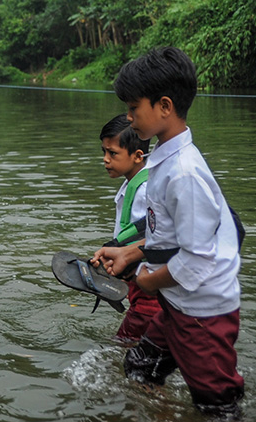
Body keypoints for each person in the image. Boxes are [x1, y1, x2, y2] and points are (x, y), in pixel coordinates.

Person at [93, 47, 244, 418]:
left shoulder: (184, 174)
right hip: (178, 304)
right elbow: (171, 237)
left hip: (202, 314)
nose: (128, 118)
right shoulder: (165, 160)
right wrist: (132, 253)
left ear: (164, 106)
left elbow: (196, 261)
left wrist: (147, 282)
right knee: (139, 368)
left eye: (133, 108)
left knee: (218, 407)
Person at [96, 113, 161, 344]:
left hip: (149, 291)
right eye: (104, 151)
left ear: (137, 156)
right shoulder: (134, 183)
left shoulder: (145, 190)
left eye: (112, 153)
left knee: (121, 348)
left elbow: (154, 236)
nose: (105, 159)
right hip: (139, 285)